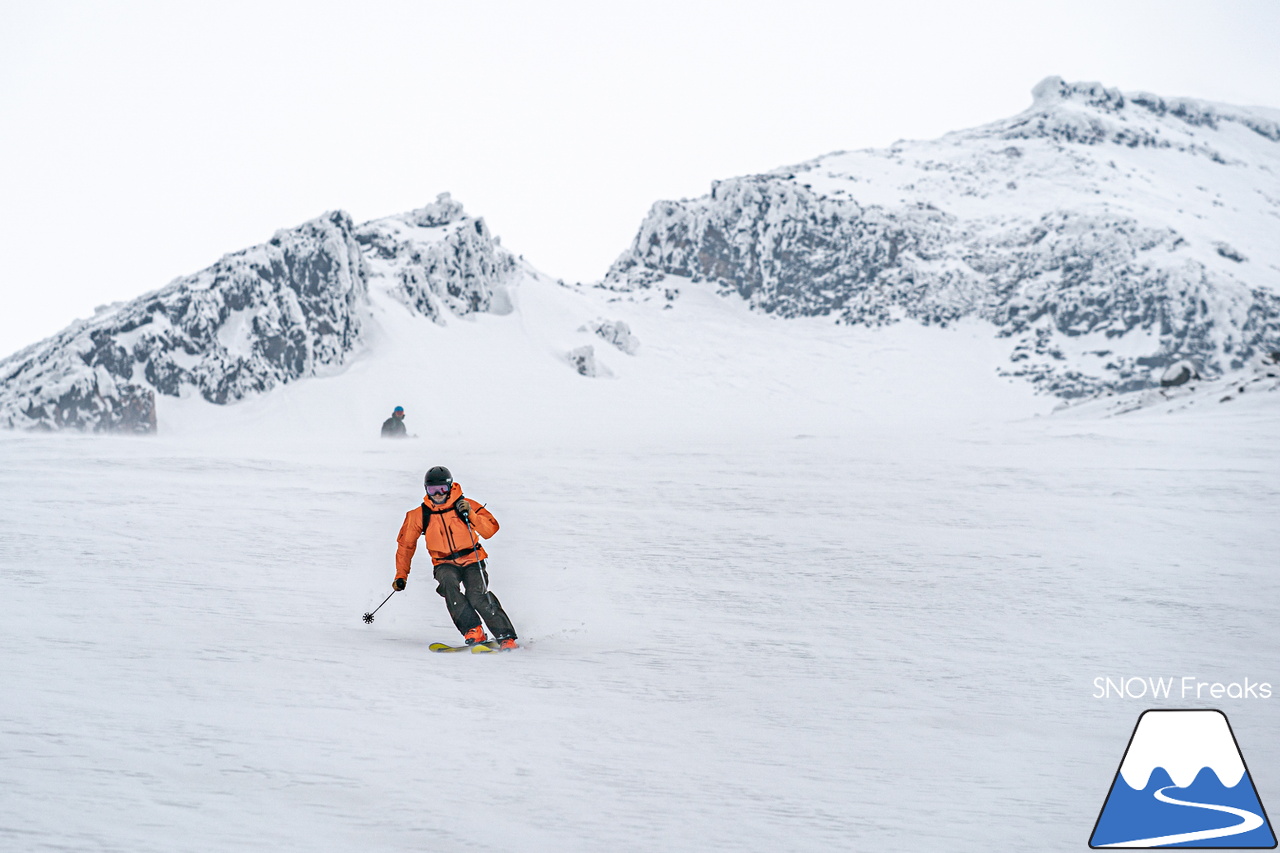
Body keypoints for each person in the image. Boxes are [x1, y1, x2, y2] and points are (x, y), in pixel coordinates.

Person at [393, 466, 518, 649]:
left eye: (442, 489)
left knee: (476, 595)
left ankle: (506, 636)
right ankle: (473, 630)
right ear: (426, 490)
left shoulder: (466, 505)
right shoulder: (418, 515)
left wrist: (472, 515)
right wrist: (401, 575)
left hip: (472, 560)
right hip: (444, 563)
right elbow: (406, 545)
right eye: (432, 490)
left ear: (450, 487)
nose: (437, 494)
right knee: (448, 586)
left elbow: (490, 530)